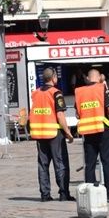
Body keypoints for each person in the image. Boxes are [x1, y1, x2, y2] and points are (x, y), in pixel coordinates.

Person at [29, 67, 74, 202]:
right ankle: (63, 193)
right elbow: (60, 115)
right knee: (60, 163)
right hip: (54, 134)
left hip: (39, 133)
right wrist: (68, 133)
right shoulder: (56, 93)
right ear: (54, 77)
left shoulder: (36, 93)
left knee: (43, 165)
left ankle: (45, 194)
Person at [76, 68, 109, 202]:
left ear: (88, 78)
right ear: (98, 78)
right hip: (102, 130)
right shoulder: (102, 88)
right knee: (106, 163)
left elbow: (78, 114)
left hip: (88, 132)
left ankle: (90, 195)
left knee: (90, 164)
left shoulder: (79, 91)